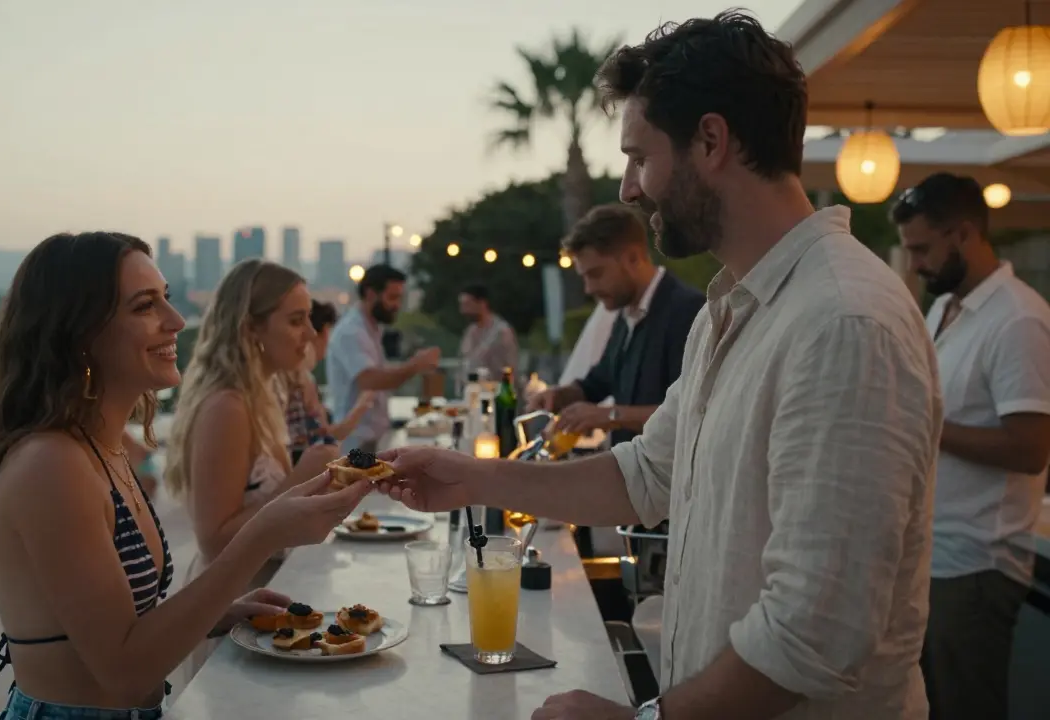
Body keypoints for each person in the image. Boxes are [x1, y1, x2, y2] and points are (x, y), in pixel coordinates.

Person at [381, 12, 940, 720]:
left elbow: (815, 631)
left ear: (711, 141)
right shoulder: (729, 311)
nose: (628, 188)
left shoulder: (843, 321)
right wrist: (477, 479)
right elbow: (645, 475)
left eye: (640, 157)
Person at [0, 233, 370, 718]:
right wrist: (263, 533)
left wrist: (215, 614)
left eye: (167, 299)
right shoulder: (52, 465)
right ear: (80, 331)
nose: (175, 322)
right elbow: (126, 673)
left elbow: (121, 625)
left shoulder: (99, 450)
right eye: (145, 306)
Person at [892, 173, 1050, 720]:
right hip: (935, 555)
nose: (914, 264)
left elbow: (1031, 448)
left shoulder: (1019, 319)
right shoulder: (946, 308)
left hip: (979, 564)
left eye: (922, 249)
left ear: (962, 234)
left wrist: (924, 424)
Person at [164, 259, 345, 688]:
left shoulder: (261, 393)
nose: (310, 334)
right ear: (251, 329)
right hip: (232, 611)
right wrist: (298, 481)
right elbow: (213, 539)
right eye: (297, 320)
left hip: (263, 601)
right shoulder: (227, 407)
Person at [529, 204, 703, 447]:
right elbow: (599, 383)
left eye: (596, 274)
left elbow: (691, 411)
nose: (589, 289)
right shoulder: (625, 313)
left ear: (633, 258)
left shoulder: (688, 311)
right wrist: (559, 397)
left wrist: (608, 416)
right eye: (584, 277)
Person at [325, 264, 440, 453]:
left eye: (399, 298)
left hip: (373, 439)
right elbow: (370, 380)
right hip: (356, 443)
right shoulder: (351, 332)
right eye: (392, 297)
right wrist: (415, 365)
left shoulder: (372, 328)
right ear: (371, 294)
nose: (397, 305)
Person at [284, 300, 374, 464]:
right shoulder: (301, 379)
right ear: (322, 332)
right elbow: (327, 438)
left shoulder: (291, 377)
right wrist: (363, 403)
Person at [458, 284, 520, 384]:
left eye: (467, 305)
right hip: (471, 392)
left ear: (482, 303)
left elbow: (511, 367)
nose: (463, 310)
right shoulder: (470, 332)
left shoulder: (501, 332)